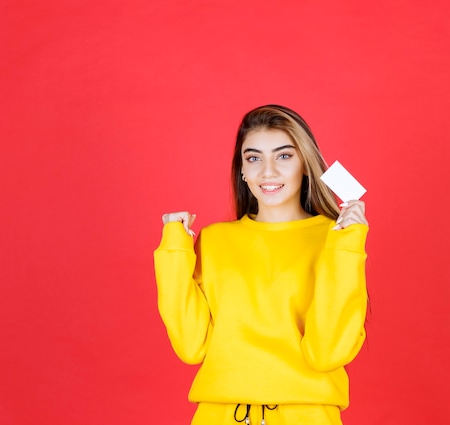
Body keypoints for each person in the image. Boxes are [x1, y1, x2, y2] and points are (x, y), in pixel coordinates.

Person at [154, 104, 369, 425]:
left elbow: (329, 353)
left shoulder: (334, 238)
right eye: (254, 158)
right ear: (242, 170)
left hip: (307, 416)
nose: (267, 172)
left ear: (306, 165)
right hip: (219, 415)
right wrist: (173, 248)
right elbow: (191, 347)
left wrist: (348, 245)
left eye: (284, 156)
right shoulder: (213, 241)